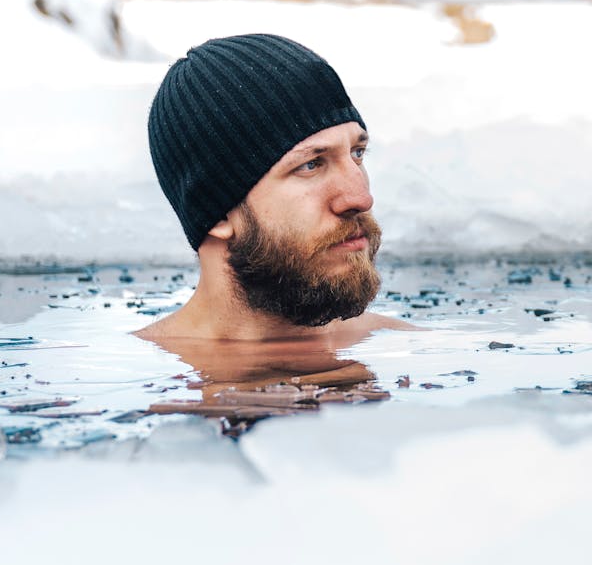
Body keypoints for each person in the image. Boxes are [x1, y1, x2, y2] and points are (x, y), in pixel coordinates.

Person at [135, 33, 409, 366]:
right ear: (220, 213)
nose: (361, 198)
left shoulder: (412, 350)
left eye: (357, 153)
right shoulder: (124, 374)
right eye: (311, 164)